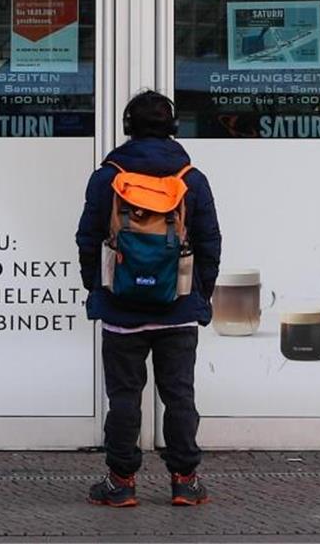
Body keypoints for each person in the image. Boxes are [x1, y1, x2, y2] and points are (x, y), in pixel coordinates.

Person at [76, 89, 222, 507]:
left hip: (122, 311)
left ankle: (121, 482)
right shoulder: (191, 179)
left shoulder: (107, 177)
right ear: (173, 128)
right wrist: (200, 294)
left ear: (128, 127)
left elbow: (88, 238)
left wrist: (98, 288)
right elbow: (210, 242)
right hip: (177, 309)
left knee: (124, 396)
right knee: (179, 395)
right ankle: (185, 481)